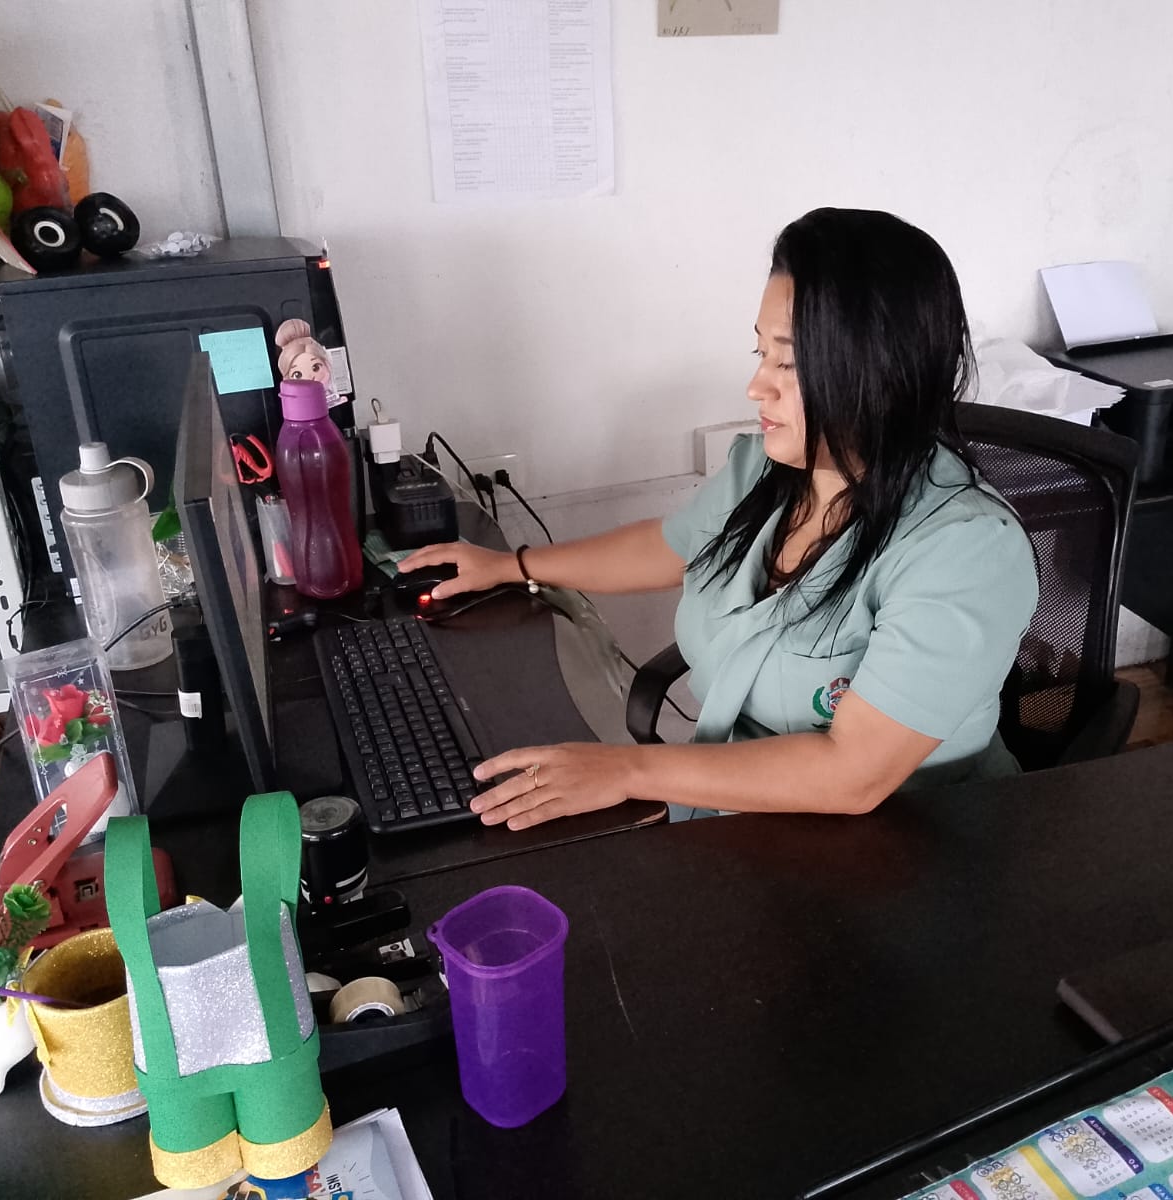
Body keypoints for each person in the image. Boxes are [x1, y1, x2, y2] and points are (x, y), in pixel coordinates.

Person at [399, 208, 1037, 829]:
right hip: (742, 813)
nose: (756, 386)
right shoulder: (766, 471)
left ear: (880, 372)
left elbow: (853, 773)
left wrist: (626, 770)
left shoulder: (967, 550)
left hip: (909, 840)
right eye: (759, 353)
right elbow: (670, 547)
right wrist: (509, 566)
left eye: (788, 362)